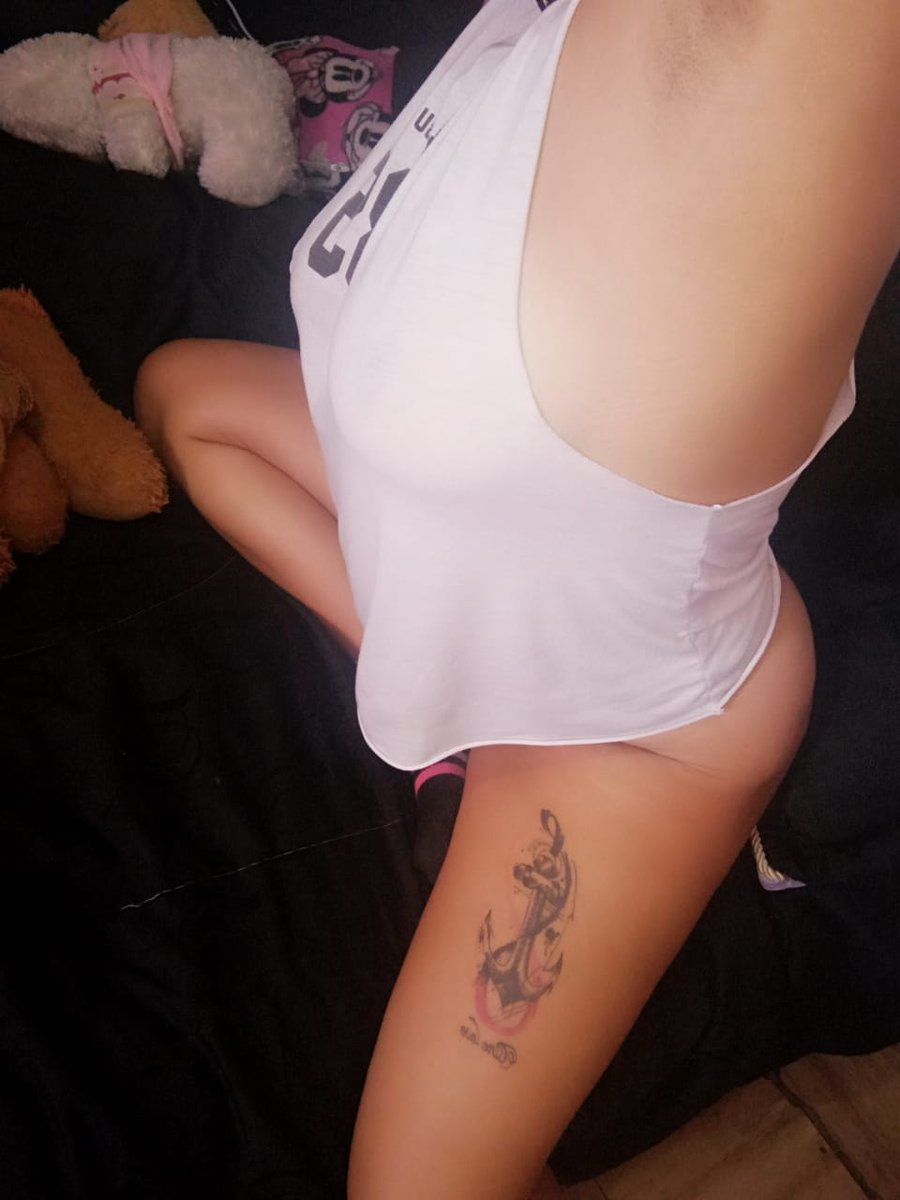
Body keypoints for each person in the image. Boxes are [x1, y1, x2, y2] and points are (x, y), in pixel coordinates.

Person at [134, 1, 900, 1196]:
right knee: (178, 395)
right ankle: (468, 716)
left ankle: (492, 733)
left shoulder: (774, 51)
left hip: (634, 732)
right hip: (435, 555)